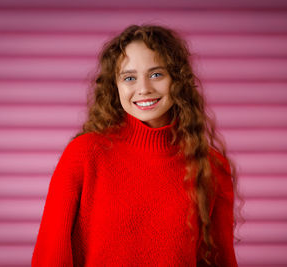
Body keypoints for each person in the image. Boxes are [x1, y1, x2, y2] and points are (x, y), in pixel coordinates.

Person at [32, 24, 238, 267]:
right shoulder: (85, 154)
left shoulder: (211, 166)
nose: (143, 89)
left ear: (178, 80)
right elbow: (50, 254)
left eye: (156, 74)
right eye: (129, 77)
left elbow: (220, 260)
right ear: (115, 87)